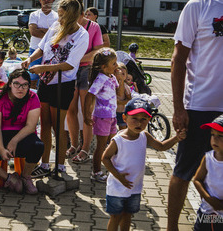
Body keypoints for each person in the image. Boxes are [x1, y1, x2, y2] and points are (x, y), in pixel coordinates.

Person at [169, 0, 223, 229]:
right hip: (199, 106)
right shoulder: (198, 6)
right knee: (183, 171)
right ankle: (171, 227)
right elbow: (178, 59)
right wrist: (179, 108)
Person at [22, 0, 89, 177]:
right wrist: (30, 58)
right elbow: (42, 48)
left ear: (73, 16)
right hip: (45, 82)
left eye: (62, 16)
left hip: (63, 84)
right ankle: (44, 165)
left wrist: (43, 67)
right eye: (58, 15)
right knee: (44, 124)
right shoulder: (55, 27)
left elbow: (69, 64)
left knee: (58, 127)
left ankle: (59, 167)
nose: (59, 19)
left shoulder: (82, 35)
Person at [102, 98, 186, 231]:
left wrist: (176, 138)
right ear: (124, 118)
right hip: (117, 188)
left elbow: (161, 146)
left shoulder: (144, 136)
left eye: (143, 119)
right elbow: (105, 158)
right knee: (116, 217)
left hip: (134, 188)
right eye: (134, 118)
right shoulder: (118, 140)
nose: (139, 123)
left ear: (149, 120)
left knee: (128, 215)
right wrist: (118, 177)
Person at [0, 69, 44, 194]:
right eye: (16, 84)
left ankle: (25, 176)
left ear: (29, 85)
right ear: (10, 83)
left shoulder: (33, 97)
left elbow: (31, 126)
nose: (20, 88)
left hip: (22, 133)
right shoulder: (0, 95)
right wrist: (1, 149)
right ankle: (9, 178)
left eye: (24, 85)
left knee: (38, 146)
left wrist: (14, 141)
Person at [65, 0, 103, 164]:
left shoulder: (93, 27)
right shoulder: (67, 24)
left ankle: (86, 148)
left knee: (86, 110)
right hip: (68, 71)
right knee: (70, 109)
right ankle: (74, 145)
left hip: (86, 70)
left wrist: (77, 59)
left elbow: (97, 51)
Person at [83, 48, 125, 182]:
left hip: (112, 116)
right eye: (114, 64)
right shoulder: (100, 79)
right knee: (101, 146)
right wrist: (86, 114)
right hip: (102, 116)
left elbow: (119, 93)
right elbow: (89, 96)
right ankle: (96, 172)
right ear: (104, 67)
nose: (116, 66)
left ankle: (112, 168)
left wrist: (121, 79)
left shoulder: (111, 77)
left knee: (113, 143)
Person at [193, 115, 223, 230]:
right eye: (212, 135)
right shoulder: (208, 158)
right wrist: (209, 199)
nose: (215, 139)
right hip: (206, 212)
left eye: (220, 136)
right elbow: (197, 180)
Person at [28, 0, 58, 87]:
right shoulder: (34, 15)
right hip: (34, 49)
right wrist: (50, 31)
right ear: (40, 0)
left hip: (51, 51)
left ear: (52, 0)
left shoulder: (57, 16)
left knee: (47, 79)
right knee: (32, 78)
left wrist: (40, 29)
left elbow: (58, 34)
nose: (46, 0)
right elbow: (33, 32)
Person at [115, 63, 131, 130]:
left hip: (122, 112)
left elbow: (129, 99)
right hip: (113, 112)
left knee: (122, 128)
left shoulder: (125, 86)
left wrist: (121, 102)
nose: (120, 76)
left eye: (123, 74)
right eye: (118, 74)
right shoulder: (112, 84)